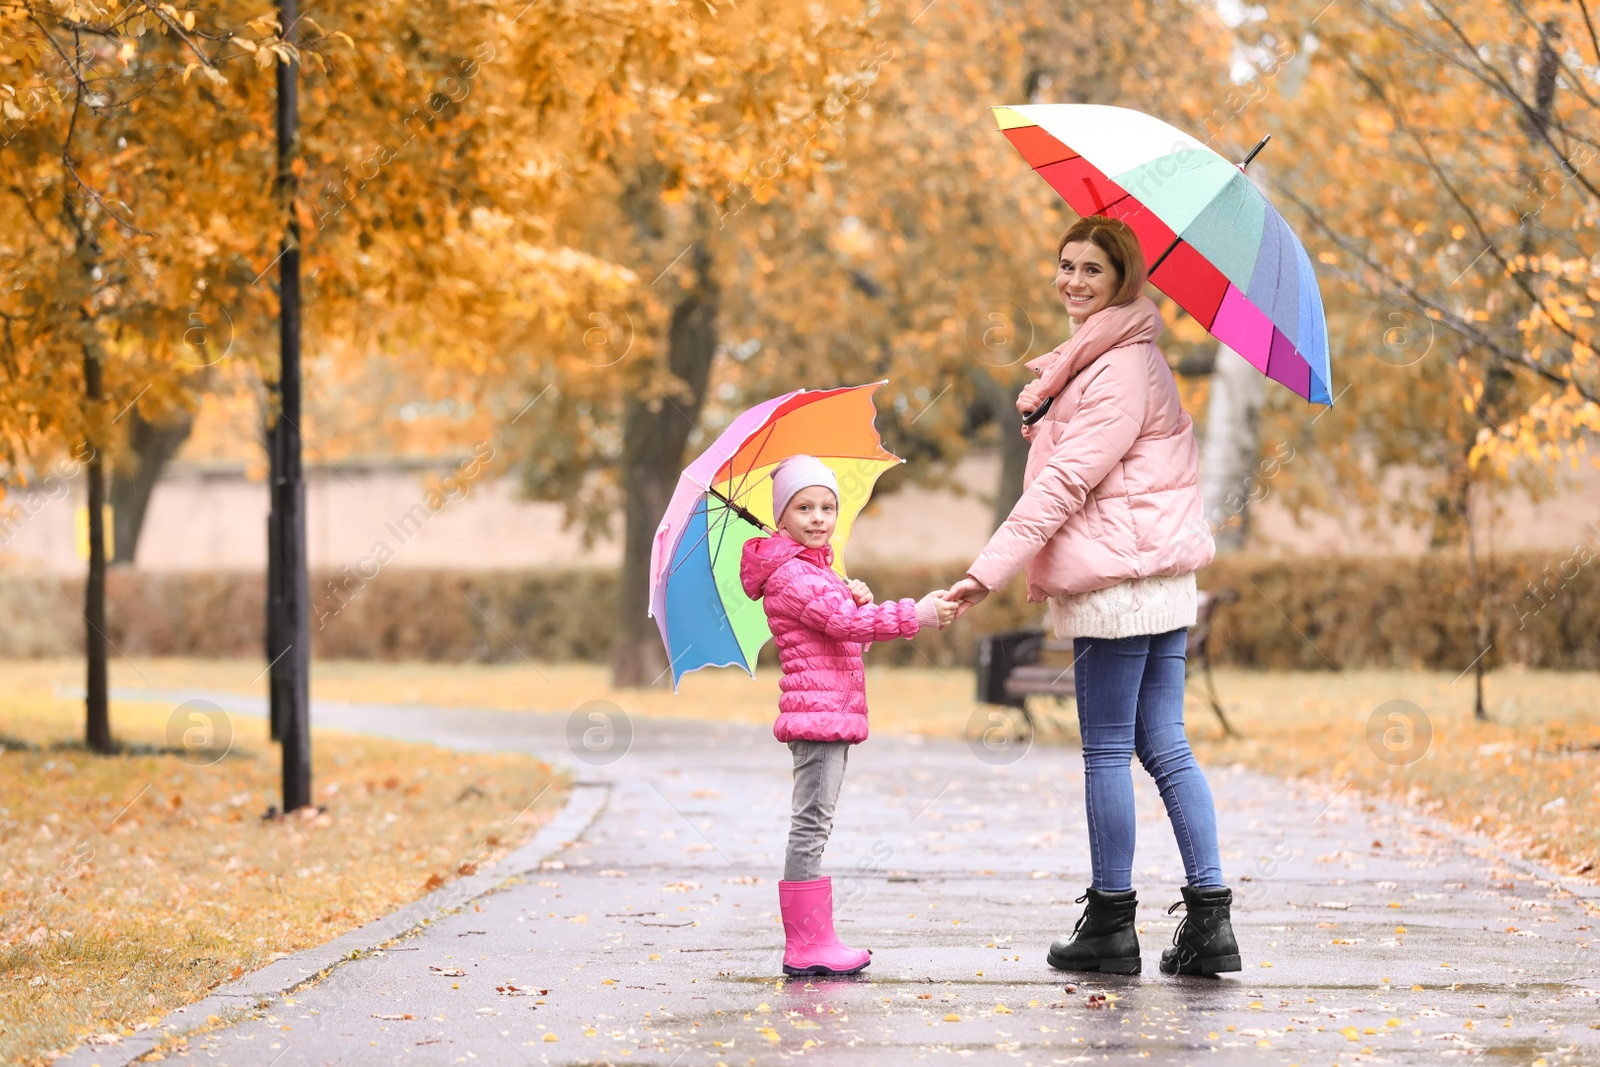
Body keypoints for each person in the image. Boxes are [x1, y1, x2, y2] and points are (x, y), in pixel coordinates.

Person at [944, 215, 1239, 977]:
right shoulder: (1108, 357)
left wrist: (988, 569)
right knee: (1161, 741)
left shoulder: (1119, 368)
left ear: (1123, 282)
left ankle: (1112, 924)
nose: (1073, 280)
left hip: (1119, 582)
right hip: (1157, 576)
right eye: (1066, 265)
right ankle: (1210, 923)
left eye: (1092, 271)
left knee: (1112, 746)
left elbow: (1067, 483)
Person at [740, 454, 959, 976]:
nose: (818, 517)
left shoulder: (813, 570)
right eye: (804, 507)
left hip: (828, 713)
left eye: (827, 507)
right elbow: (843, 626)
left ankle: (814, 940)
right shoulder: (793, 575)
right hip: (817, 717)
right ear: (781, 517)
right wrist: (917, 615)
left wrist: (852, 593)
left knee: (817, 822)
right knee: (811, 824)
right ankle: (807, 944)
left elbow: (842, 623)